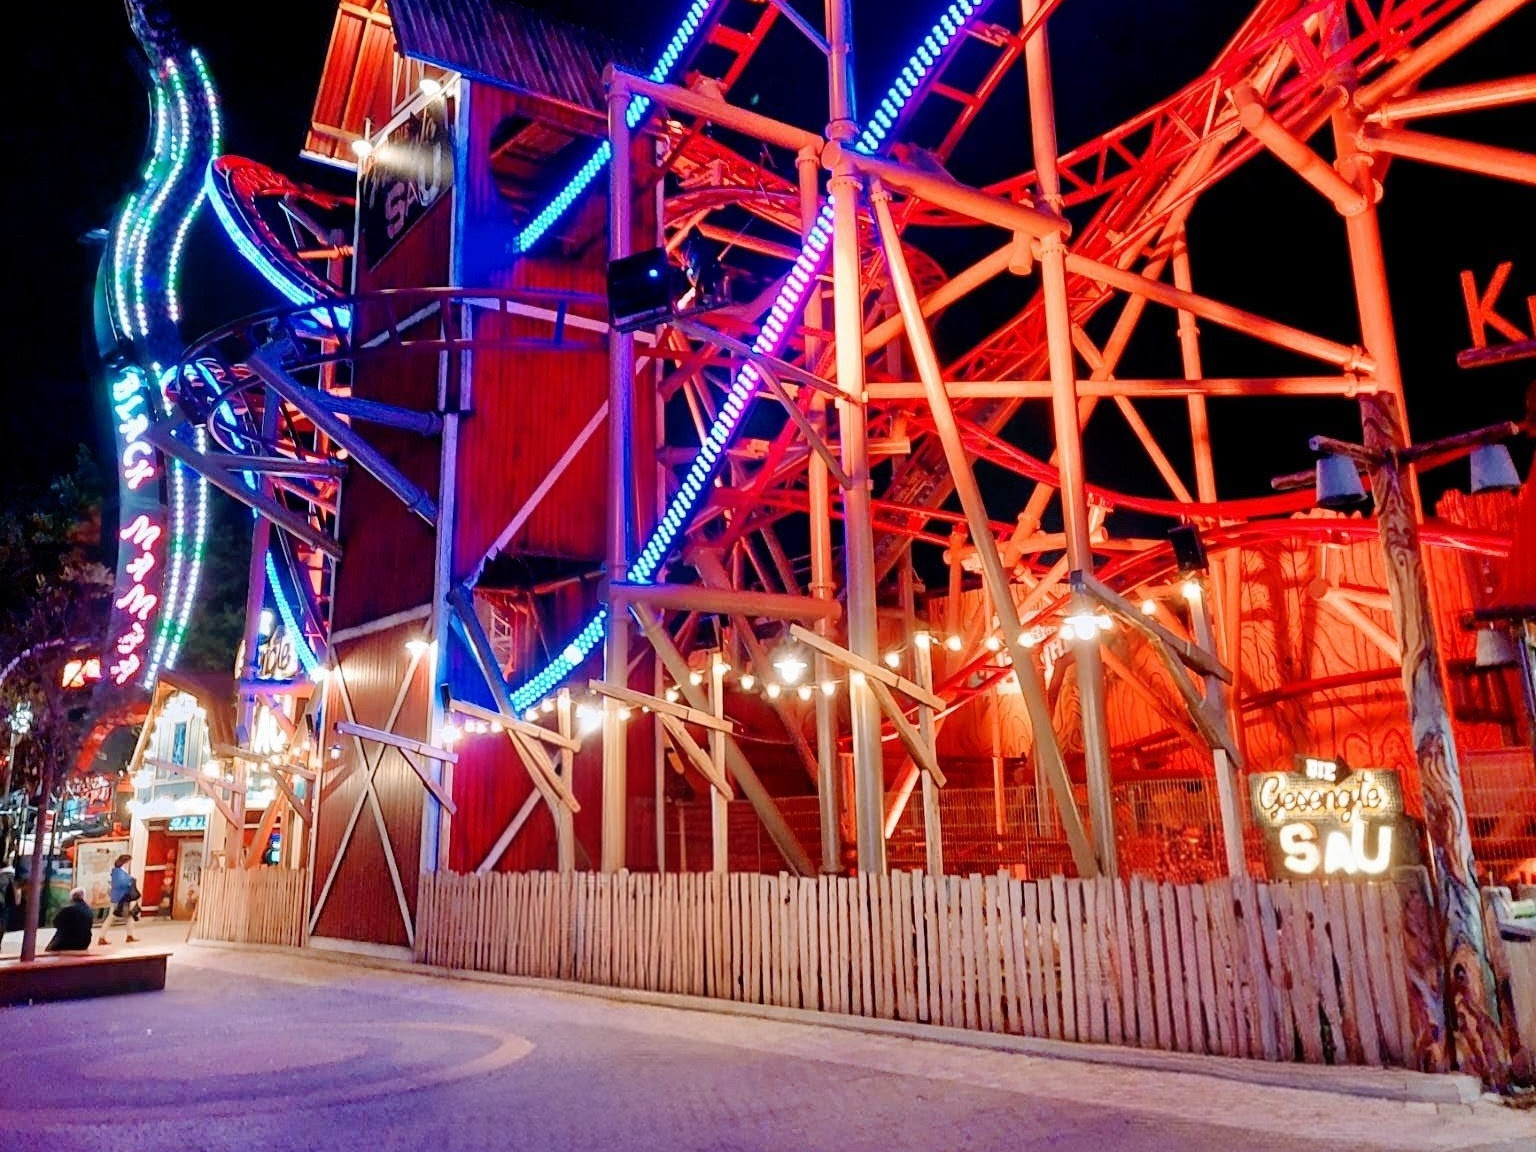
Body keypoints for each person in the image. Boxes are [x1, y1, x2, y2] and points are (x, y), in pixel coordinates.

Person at [99, 854, 138, 945]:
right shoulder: (118, 872)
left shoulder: (118, 871)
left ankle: (129, 935)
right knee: (112, 917)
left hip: (121, 898)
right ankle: (102, 937)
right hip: (120, 898)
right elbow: (121, 883)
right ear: (125, 862)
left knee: (128, 916)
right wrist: (130, 880)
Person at [46, 888, 93, 953]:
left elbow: (56, 923)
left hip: (67, 942)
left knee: (49, 949)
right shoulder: (88, 910)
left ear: (72, 897)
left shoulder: (67, 909)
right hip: (84, 943)